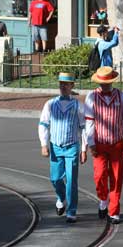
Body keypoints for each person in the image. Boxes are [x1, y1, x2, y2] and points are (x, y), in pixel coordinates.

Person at [85, 66, 123, 224]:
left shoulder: (122, 97)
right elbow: (89, 122)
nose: (104, 85)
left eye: (107, 82)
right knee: (99, 175)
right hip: (99, 143)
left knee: (116, 177)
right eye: (102, 82)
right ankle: (103, 199)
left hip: (117, 143)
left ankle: (114, 210)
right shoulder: (91, 97)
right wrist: (90, 142)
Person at [39, 73, 88, 223]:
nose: (63, 87)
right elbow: (44, 124)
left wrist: (84, 148)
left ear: (72, 86)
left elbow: (84, 127)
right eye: (61, 84)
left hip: (72, 146)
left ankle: (71, 211)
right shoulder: (50, 104)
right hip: (55, 146)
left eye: (66, 84)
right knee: (55, 178)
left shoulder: (78, 105)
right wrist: (44, 144)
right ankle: (61, 198)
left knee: (72, 179)